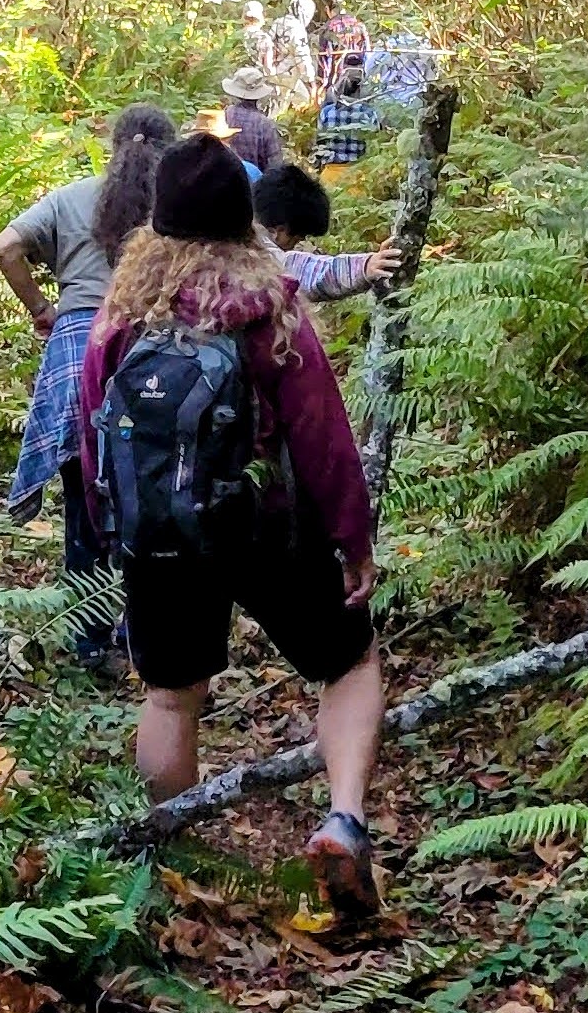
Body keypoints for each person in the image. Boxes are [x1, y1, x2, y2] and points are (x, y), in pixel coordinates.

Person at [79, 134, 386, 912]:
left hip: (161, 536)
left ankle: (180, 870)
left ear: (160, 220)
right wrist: (352, 538)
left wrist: (112, 524)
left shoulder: (123, 314)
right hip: (265, 526)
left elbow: (93, 430)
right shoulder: (270, 304)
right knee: (348, 662)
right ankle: (346, 818)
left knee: (170, 696)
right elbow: (320, 429)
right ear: (243, 218)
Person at [0, 105, 178, 675]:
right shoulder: (175, 209)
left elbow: (4, 247)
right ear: (166, 151)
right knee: (152, 498)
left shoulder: (69, 198)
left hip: (78, 354)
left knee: (85, 504)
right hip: (155, 360)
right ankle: (143, 634)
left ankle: (89, 642)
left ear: (113, 143)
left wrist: (42, 308)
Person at [253, 162, 402, 302]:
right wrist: (365, 266)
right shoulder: (253, 254)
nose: (294, 246)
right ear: (278, 231)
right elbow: (303, 272)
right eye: (297, 239)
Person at [217, 68, 285, 172]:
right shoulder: (265, 124)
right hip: (255, 184)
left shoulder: (224, 116)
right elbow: (275, 165)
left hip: (225, 181)